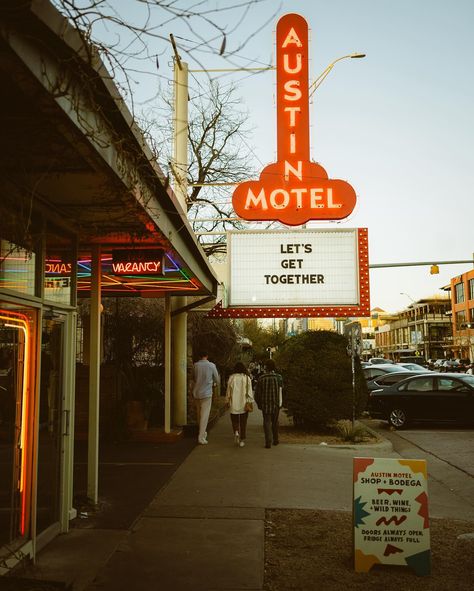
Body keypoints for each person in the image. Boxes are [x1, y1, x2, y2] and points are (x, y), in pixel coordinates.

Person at [255, 358, 283, 449]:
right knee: (275, 422)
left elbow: (257, 393)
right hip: (276, 404)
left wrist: (259, 404)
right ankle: (276, 439)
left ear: (266, 367)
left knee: (267, 422)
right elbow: (281, 390)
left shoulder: (261, 378)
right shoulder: (279, 377)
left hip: (265, 404)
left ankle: (268, 441)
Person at [192, 350, 219, 445]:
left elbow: (194, 377)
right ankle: (201, 436)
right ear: (207, 355)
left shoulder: (195, 365)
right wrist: (214, 383)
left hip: (196, 392)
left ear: (199, 356)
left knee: (199, 414)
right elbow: (217, 378)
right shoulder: (211, 365)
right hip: (206, 393)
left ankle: (202, 433)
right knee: (204, 416)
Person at [225, 361, 254, 448]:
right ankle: (242, 439)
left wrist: (227, 400)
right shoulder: (247, 378)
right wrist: (250, 401)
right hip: (244, 403)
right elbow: (249, 392)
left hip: (234, 403)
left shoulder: (232, 378)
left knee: (234, 420)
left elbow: (228, 391)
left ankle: (236, 432)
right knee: (243, 422)